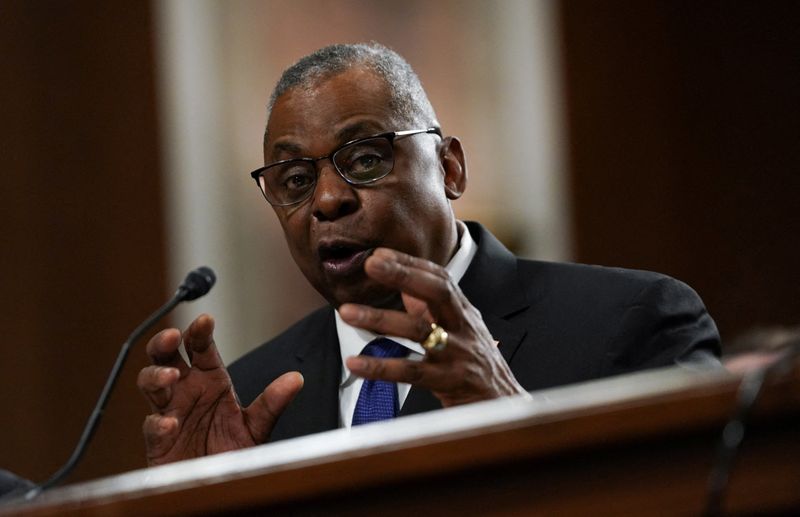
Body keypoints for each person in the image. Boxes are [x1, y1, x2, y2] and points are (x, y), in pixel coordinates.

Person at [137, 42, 720, 466]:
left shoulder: (632, 322)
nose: (329, 200)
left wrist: (512, 416)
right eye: (294, 180)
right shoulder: (253, 397)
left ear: (449, 168)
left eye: (365, 159)